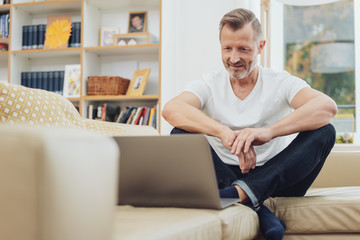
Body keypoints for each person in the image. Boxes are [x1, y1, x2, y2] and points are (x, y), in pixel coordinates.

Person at [162, 8, 337, 240]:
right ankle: (253, 202)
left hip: (280, 177)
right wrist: (224, 133)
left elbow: (327, 107)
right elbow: (171, 109)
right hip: (223, 174)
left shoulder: (280, 81)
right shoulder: (209, 83)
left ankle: (236, 194)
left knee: (326, 132)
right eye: (227, 48)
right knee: (179, 132)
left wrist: (268, 132)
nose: (234, 58)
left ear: (260, 47)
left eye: (243, 49)